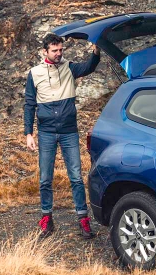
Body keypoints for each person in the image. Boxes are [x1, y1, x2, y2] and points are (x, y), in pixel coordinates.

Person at [24, 33, 101, 239]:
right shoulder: (35, 73)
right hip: (47, 132)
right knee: (45, 179)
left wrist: (96, 51)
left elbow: (89, 67)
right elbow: (29, 104)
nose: (58, 54)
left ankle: (83, 219)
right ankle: (46, 219)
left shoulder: (70, 68)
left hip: (69, 131)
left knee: (76, 177)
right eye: (54, 50)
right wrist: (28, 133)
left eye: (60, 50)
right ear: (45, 51)